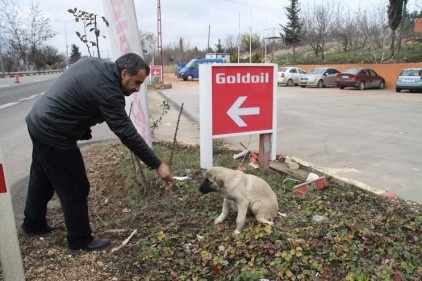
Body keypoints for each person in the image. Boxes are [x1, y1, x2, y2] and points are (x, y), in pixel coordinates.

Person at [21, 53, 173, 251]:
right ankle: (80, 240)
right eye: (136, 82)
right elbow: (126, 133)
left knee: (41, 176)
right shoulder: (108, 90)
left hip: (38, 121)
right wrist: (158, 164)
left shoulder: (96, 64)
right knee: (75, 186)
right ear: (124, 73)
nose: (137, 89)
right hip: (54, 132)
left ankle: (33, 223)